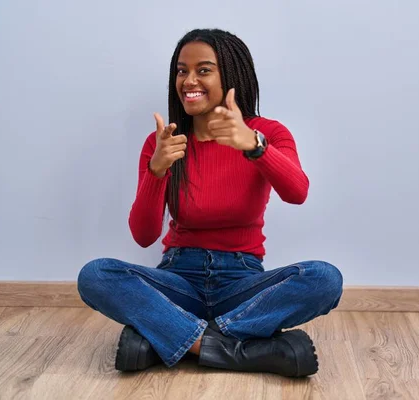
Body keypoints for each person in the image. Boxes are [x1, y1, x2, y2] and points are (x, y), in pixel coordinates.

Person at [77, 28, 343, 378]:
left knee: (324, 278)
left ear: (231, 75)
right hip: (178, 281)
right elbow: (143, 236)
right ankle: (233, 348)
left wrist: (255, 147)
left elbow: (297, 192)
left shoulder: (268, 133)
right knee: (95, 275)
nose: (189, 81)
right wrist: (156, 170)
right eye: (181, 70)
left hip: (241, 281)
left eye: (203, 70)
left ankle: (169, 339)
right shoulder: (165, 142)